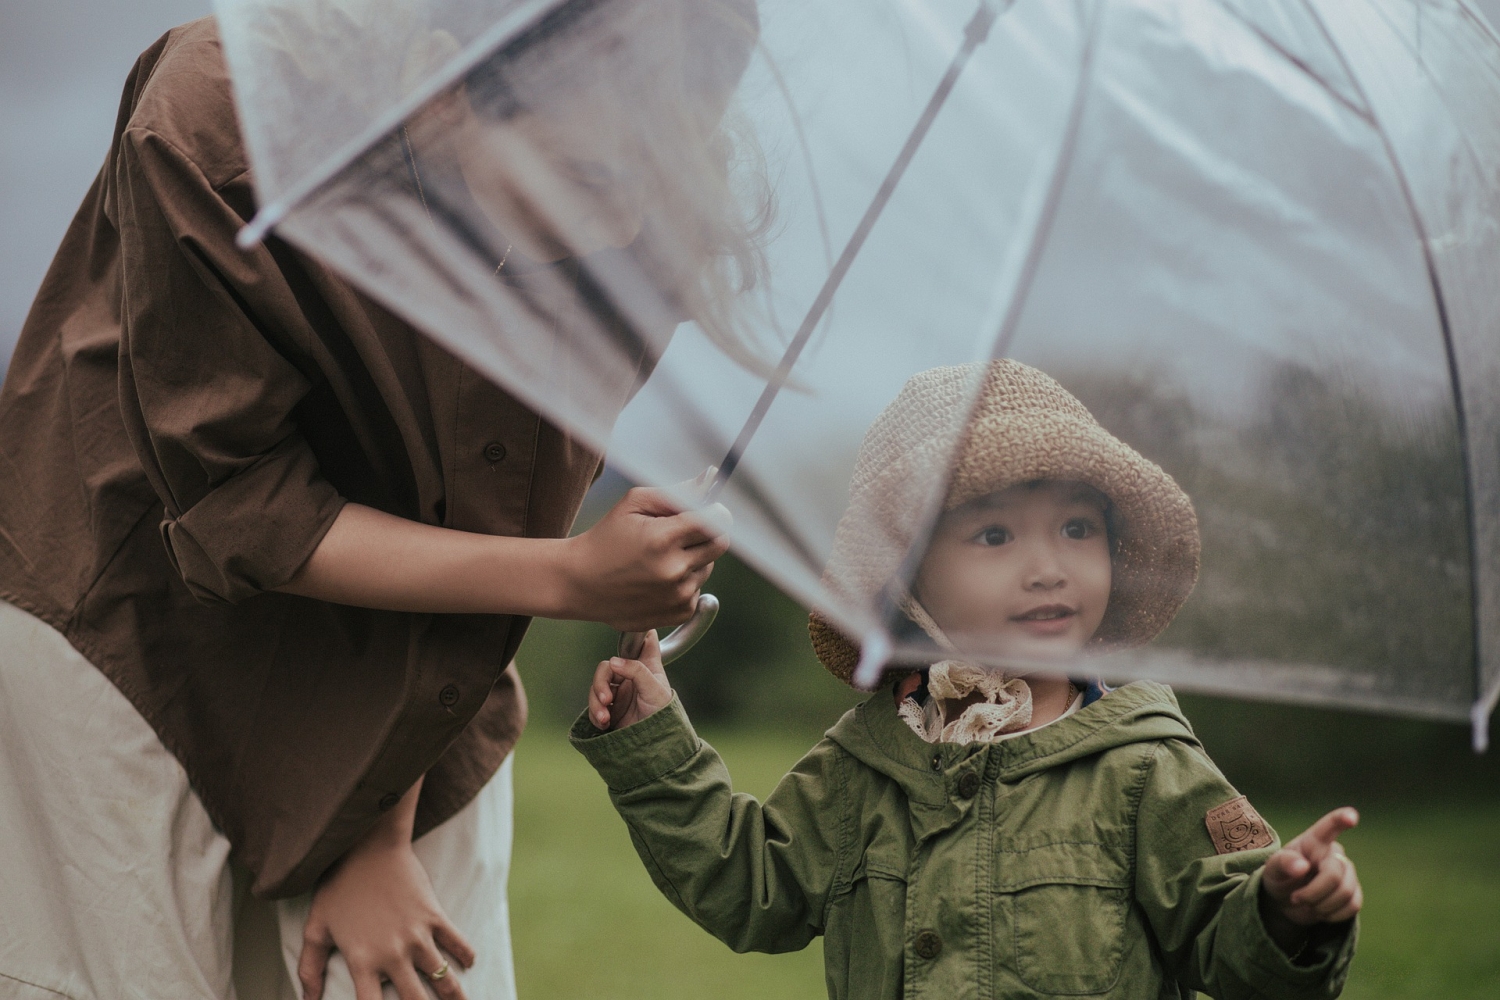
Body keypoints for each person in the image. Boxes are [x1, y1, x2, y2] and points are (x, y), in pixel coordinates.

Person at [0, 1, 757, 998]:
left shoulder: (649, 208)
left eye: (657, 179)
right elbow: (237, 504)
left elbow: (495, 514)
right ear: (441, 92)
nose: (616, 228)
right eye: (585, 179)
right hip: (137, 618)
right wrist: (576, 576)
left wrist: (379, 825)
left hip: (428, 640)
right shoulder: (222, 116)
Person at [572, 359, 1362, 999]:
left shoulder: (1145, 765)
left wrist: (1286, 913)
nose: (1049, 567)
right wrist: (655, 746)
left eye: (1078, 528)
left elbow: (1229, 946)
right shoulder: (868, 761)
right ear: (907, 581)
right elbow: (750, 886)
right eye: (994, 534)